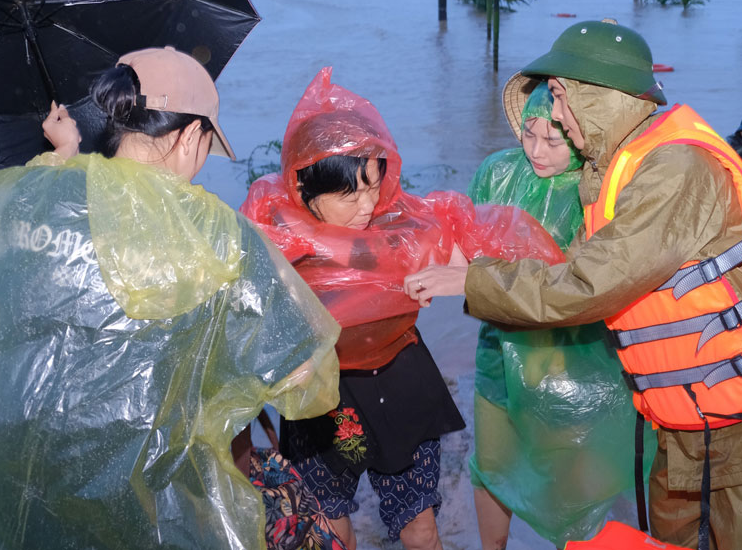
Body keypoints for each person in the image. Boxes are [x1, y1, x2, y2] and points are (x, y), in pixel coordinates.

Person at [403, 20, 742, 550]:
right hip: (686, 419)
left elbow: (587, 283)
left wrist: (471, 281)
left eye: (560, 97)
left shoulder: (674, 168)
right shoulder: (617, 170)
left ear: (602, 97)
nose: (554, 115)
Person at [0, 47, 341, 549]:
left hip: (16, 490)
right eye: (206, 143)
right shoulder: (214, 233)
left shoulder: (26, 196)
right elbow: (302, 375)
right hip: (141, 509)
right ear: (188, 136)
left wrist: (62, 156)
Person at [240, 68, 562, 550]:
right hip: (321, 397)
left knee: (419, 526)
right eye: (350, 194)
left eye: (373, 186)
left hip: (399, 384)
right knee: (328, 524)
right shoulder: (275, 238)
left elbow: (486, 253)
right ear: (305, 189)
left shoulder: (407, 229)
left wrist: (463, 279)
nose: (367, 204)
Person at [468, 76, 651, 549]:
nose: (536, 150)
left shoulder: (596, 191)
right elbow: (467, 242)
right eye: (528, 134)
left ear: (577, 133)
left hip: (574, 357)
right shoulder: (497, 172)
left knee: (574, 478)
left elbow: (589, 282)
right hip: (498, 347)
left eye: (552, 138)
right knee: (491, 464)